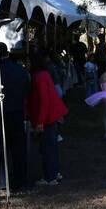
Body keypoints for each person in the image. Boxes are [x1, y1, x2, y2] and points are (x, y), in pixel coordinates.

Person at [0, 43, 30, 191]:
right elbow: (27, 89)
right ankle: (20, 180)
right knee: (18, 149)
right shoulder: (20, 70)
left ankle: (2, 180)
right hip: (16, 112)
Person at [28, 50, 69, 186]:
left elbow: (44, 100)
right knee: (52, 147)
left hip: (47, 117)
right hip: (51, 115)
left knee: (47, 148)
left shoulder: (39, 76)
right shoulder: (44, 74)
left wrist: (40, 121)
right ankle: (54, 173)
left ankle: (50, 177)